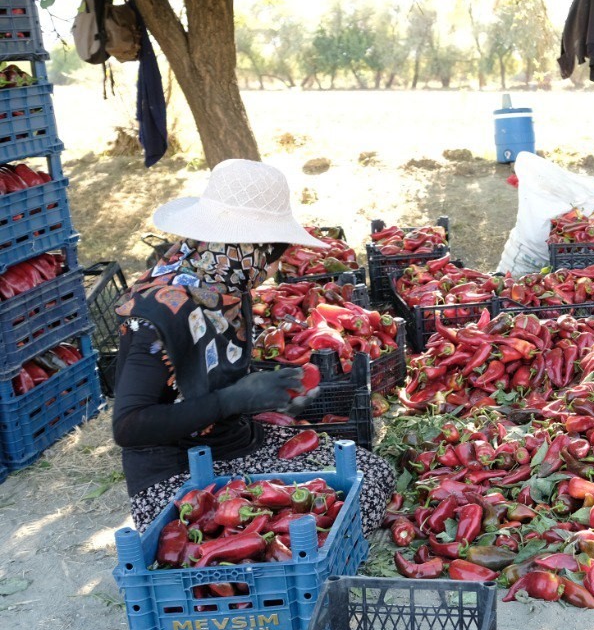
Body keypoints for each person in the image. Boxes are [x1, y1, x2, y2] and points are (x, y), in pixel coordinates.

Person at [112, 158, 395, 534]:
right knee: (320, 514)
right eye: (273, 254)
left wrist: (263, 393)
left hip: (235, 445)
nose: (274, 268)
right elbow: (128, 427)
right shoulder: (158, 313)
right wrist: (232, 400)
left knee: (373, 474)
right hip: (178, 478)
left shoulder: (225, 286)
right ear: (247, 249)